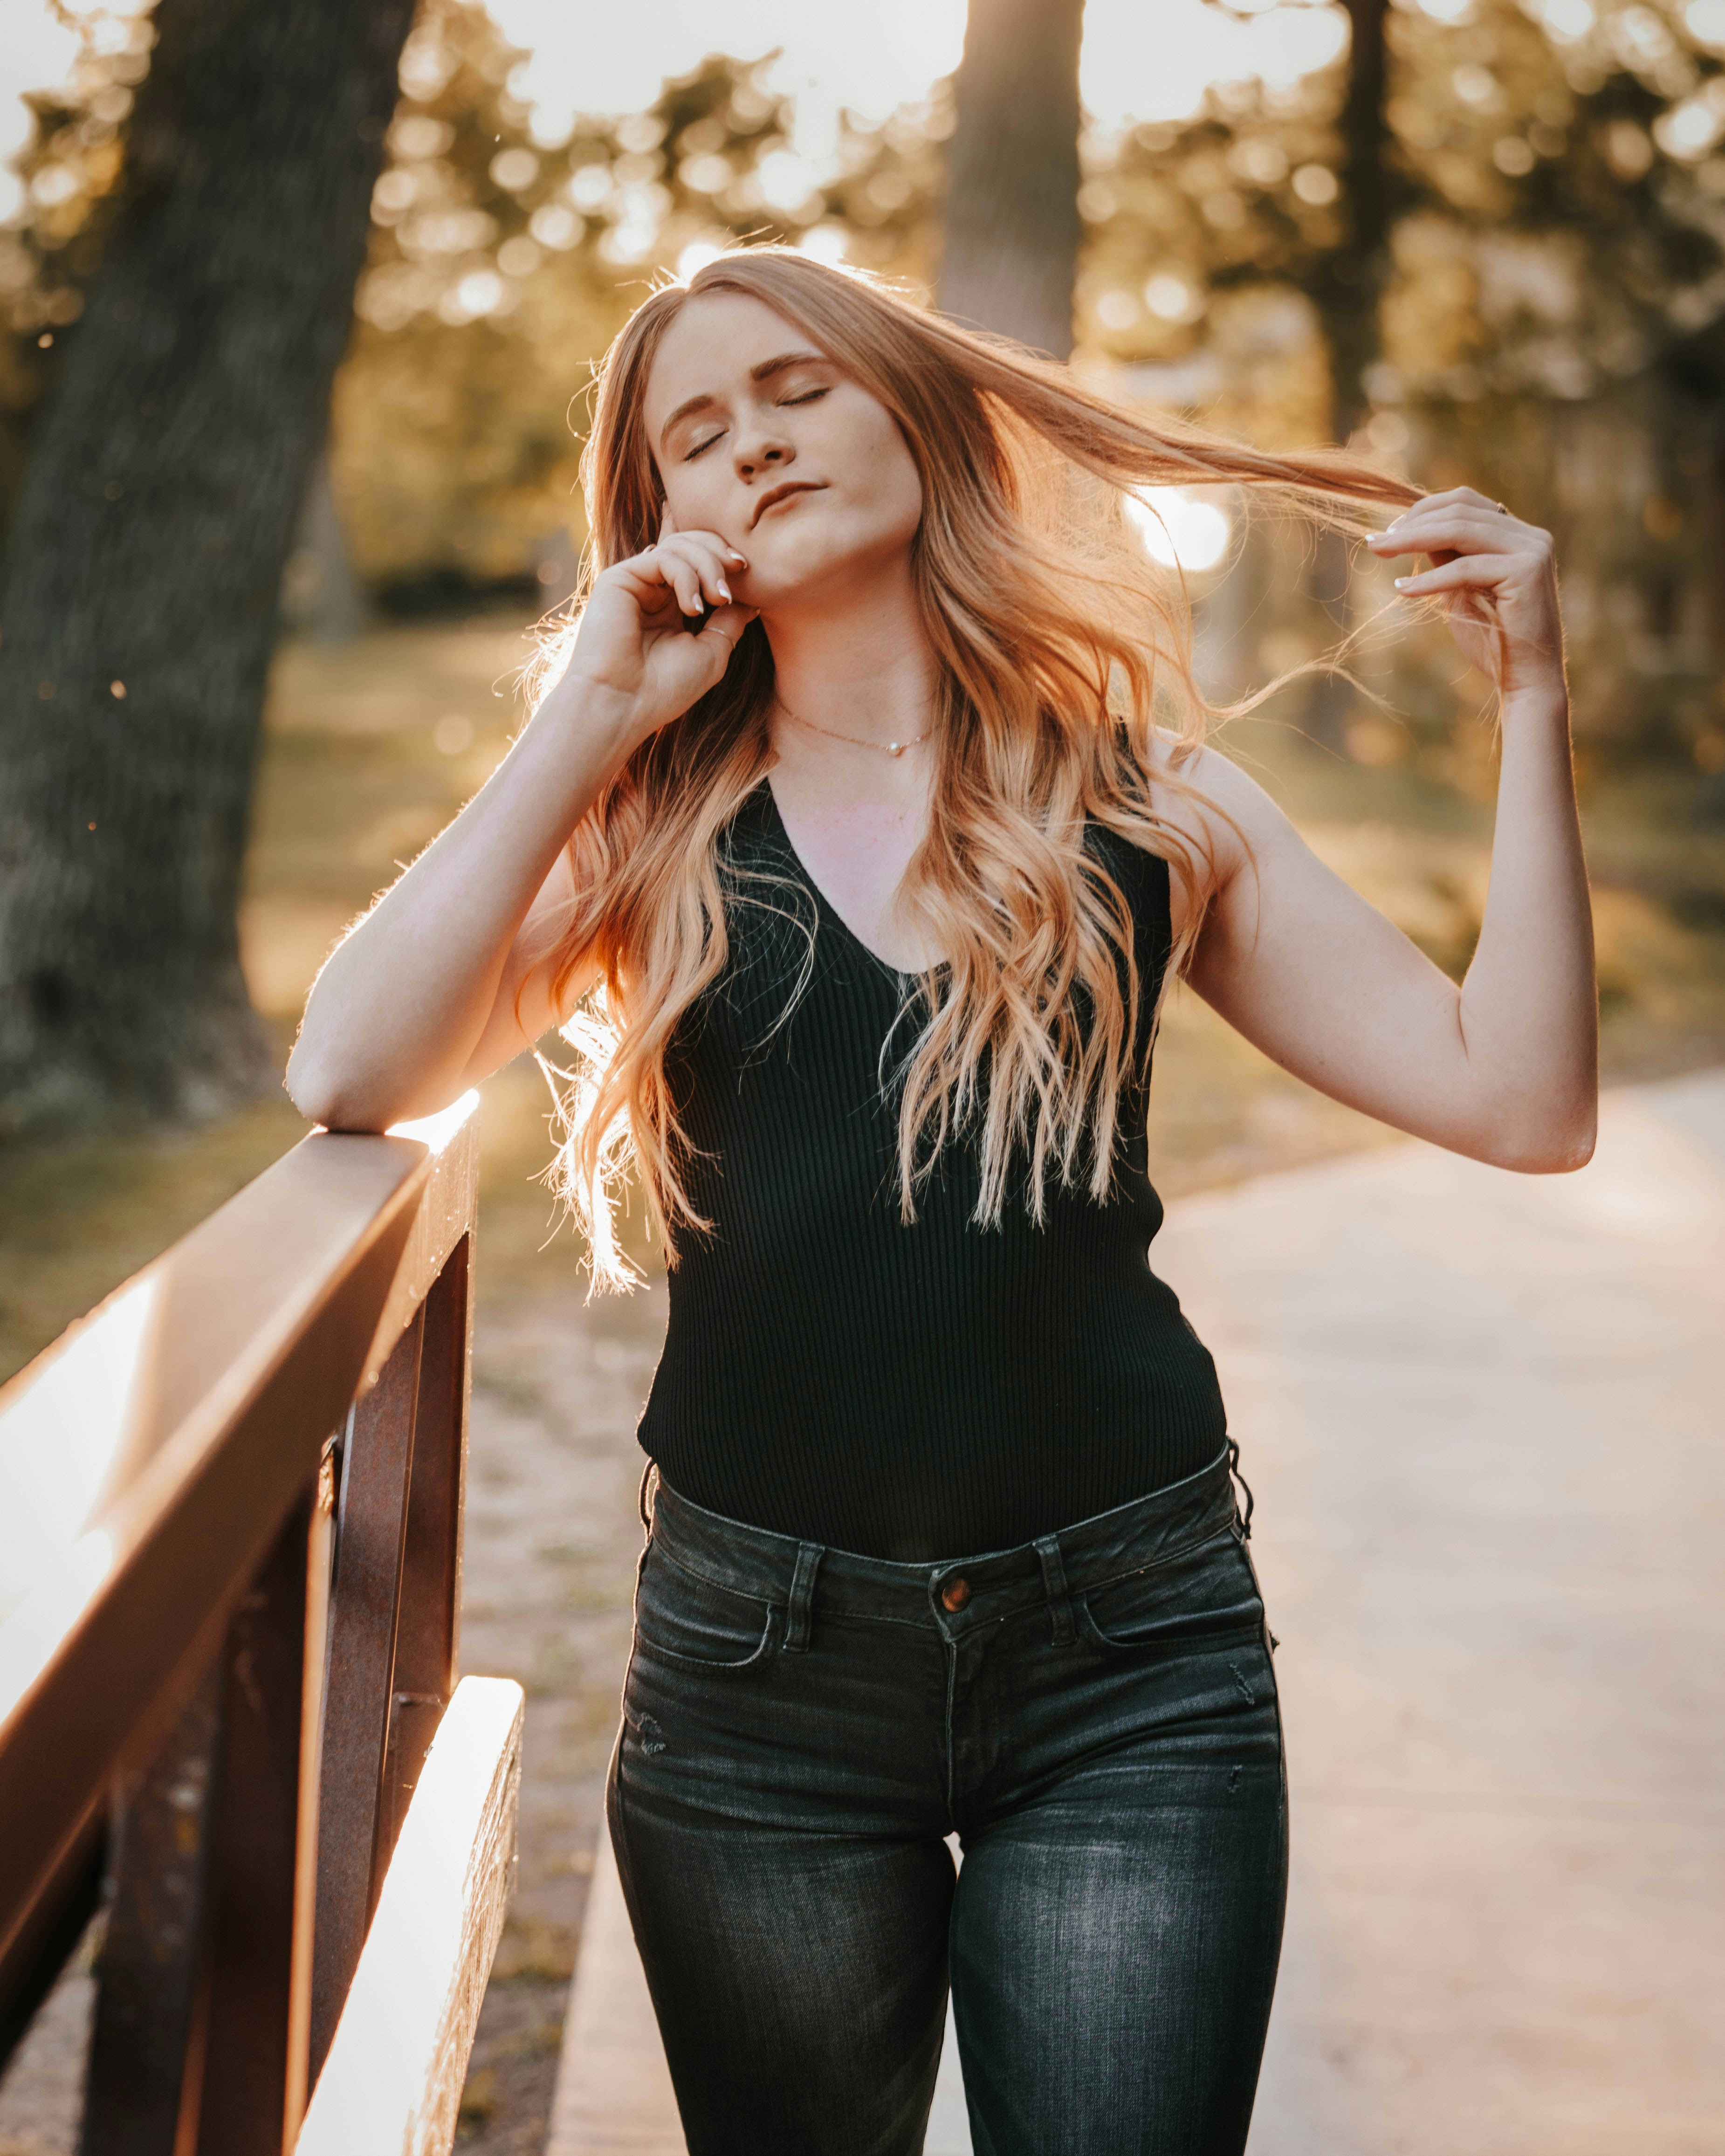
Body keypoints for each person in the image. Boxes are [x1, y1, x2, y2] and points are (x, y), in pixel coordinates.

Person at [287, 248, 1596, 2155]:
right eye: (696, 437)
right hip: (756, 1697)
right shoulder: (647, 827)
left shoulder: (1150, 796)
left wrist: (1533, 709)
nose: (755, 443)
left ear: (910, 406)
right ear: (664, 523)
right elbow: (347, 1070)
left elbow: (1520, 1098)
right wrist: (580, 718)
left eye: (796, 387)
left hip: (1128, 1666)